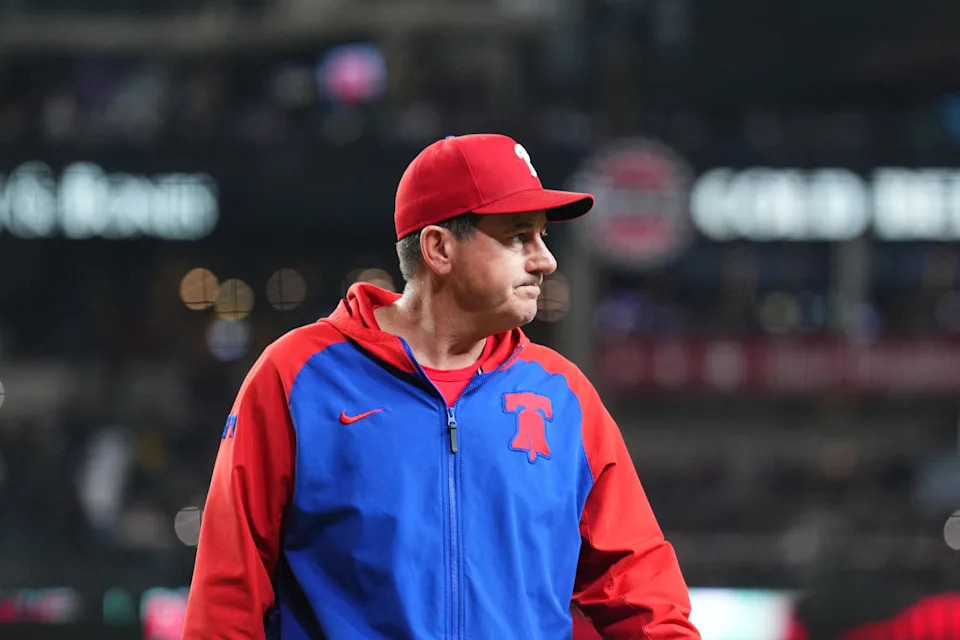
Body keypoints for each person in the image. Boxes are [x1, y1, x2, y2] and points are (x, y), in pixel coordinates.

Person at [181, 133, 700, 639]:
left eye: (542, 236)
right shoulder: (300, 376)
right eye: (519, 235)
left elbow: (638, 586)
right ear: (439, 249)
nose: (545, 259)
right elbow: (229, 591)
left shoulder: (562, 394)